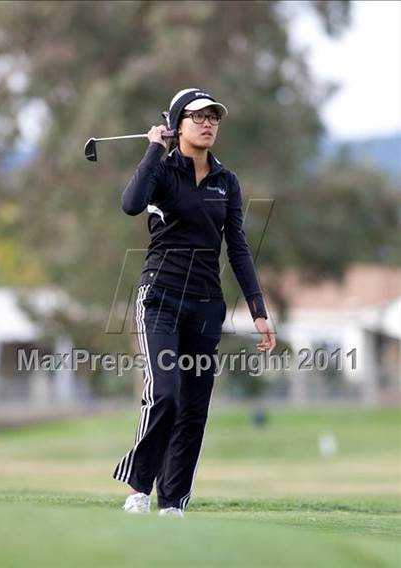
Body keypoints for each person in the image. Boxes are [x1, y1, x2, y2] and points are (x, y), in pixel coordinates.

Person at [112, 88, 275, 517]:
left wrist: (258, 310)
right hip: (159, 298)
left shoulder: (227, 182)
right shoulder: (162, 173)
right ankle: (139, 488)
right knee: (164, 394)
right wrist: (153, 149)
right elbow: (130, 204)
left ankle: (174, 502)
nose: (208, 124)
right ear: (177, 124)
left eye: (214, 118)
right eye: (198, 117)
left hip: (205, 306)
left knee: (194, 406)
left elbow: (237, 248)